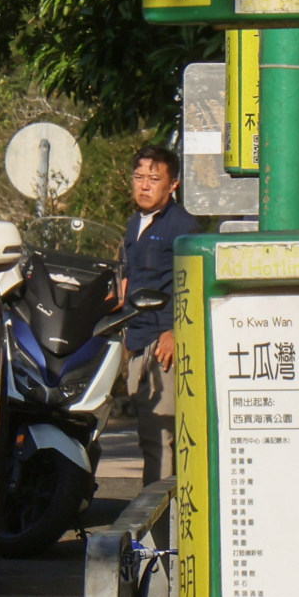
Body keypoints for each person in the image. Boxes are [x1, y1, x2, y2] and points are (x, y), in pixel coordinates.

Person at [113, 143, 200, 467]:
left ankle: (163, 518)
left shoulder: (183, 227)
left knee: (162, 439)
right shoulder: (134, 224)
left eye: (154, 178)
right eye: (139, 177)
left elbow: (192, 285)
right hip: (137, 339)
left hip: (165, 346)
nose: (145, 185)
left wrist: (176, 333)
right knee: (149, 437)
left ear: (173, 184)